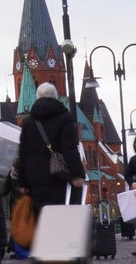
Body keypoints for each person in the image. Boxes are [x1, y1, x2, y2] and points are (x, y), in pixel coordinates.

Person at [16, 83, 85, 219]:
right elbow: (70, 149)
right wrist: (77, 174)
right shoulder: (64, 118)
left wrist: (22, 182)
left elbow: (23, 153)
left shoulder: (28, 122)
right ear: (56, 97)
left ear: (37, 97)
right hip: (58, 177)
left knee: (39, 220)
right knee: (58, 219)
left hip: (34, 181)